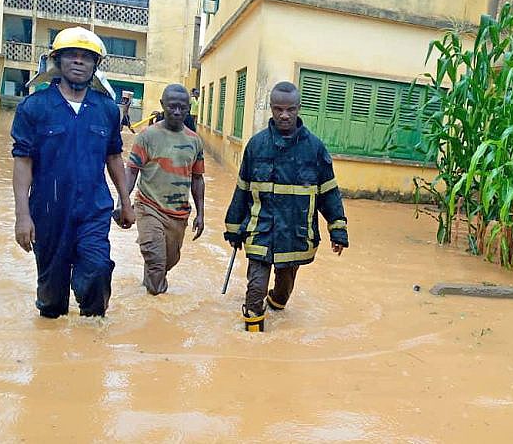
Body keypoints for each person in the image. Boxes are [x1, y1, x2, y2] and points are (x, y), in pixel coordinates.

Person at [11, 26, 136, 319]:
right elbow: (23, 162)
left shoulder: (106, 110)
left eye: (86, 57)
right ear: (58, 61)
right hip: (48, 212)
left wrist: (126, 202)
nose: (79, 62)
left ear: (95, 66)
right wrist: (22, 215)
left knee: (97, 271)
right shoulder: (35, 107)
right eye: (72, 56)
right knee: (52, 302)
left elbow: (114, 157)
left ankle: (92, 344)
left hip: (93, 209)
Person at [224, 81, 349, 332]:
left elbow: (329, 192)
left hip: (295, 232)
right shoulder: (256, 145)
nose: (284, 115)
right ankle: (253, 337)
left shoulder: (314, 148)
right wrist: (234, 228)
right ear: (271, 108)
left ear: (298, 108)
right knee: (255, 286)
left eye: (290, 109)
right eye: (278, 109)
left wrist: (338, 230)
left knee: (282, 292)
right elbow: (242, 190)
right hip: (261, 229)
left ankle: (277, 301)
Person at [125, 84, 206, 295]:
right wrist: (123, 202)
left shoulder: (194, 141)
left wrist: (201, 214)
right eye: (172, 107)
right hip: (148, 208)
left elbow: (198, 179)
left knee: (168, 261)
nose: (177, 112)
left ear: (189, 108)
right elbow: (131, 171)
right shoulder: (147, 136)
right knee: (157, 262)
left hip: (178, 215)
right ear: (162, 105)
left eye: (182, 108)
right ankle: (154, 312)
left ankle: (150, 283)